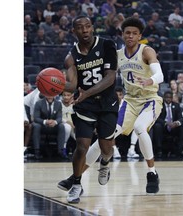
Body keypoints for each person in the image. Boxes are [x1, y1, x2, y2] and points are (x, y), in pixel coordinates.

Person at [58, 17, 164, 196]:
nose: (130, 36)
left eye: (134, 33)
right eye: (127, 33)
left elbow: (160, 74)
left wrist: (149, 80)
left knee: (139, 127)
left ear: (140, 36)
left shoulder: (146, 51)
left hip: (150, 99)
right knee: (105, 139)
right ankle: (75, 176)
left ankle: (151, 173)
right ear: (122, 35)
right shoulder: (117, 54)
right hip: (129, 101)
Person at [61, 15, 119, 204]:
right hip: (85, 106)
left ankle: (105, 163)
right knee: (82, 146)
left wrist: (86, 93)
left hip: (107, 103)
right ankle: (76, 184)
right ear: (73, 32)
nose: (85, 30)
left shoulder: (107, 45)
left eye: (87, 26)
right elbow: (73, 85)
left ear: (93, 28)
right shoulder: (71, 56)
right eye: (80, 27)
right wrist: (53, 83)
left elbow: (110, 78)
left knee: (106, 147)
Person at [152, 91, 183, 158]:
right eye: (166, 97)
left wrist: (176, 123)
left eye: (170, 98)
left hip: (174, 126)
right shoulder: (160, 105)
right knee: (157, 126)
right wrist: (166, 123)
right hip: (164, 127)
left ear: (172, 98)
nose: (168, 99)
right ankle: (159, 149)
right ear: (164, 98)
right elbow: (156, 118)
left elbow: (181, 118)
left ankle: (180, 149)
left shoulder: (176, 105)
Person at [32, 94, 66, 160]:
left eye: (51, 94)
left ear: (55, 95)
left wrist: (55, 122)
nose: (50, 96)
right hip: (42, 126)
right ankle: (37, 151)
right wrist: (45, 121)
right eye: (48, 94)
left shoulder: (58, 103)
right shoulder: (38, 103)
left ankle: (60, 151)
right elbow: (36, 118)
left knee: (61, 126)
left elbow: (59, 117)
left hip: (53, 126)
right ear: (45, 94)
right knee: (36, 126)